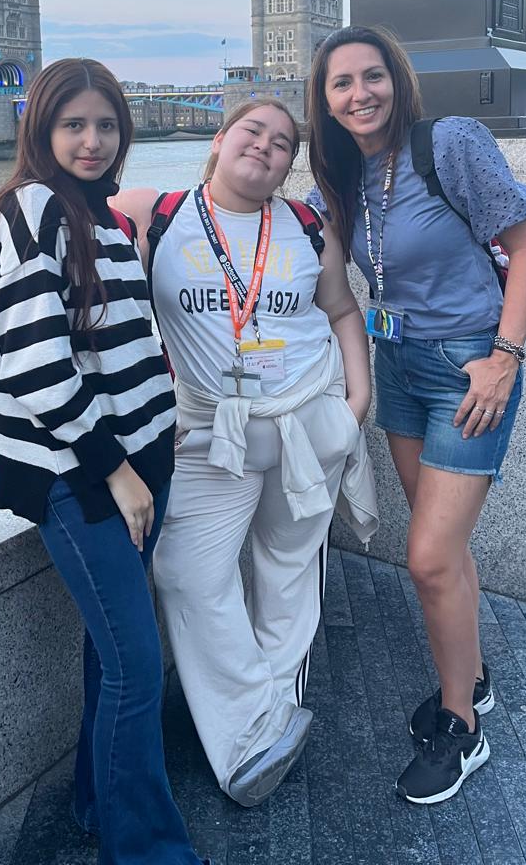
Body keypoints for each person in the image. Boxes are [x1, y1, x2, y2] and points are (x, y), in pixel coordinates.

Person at [0, 58, 208, 865]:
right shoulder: (32, 208)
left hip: (140, 460)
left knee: (114, 657)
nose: (92, 140)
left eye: (106, 125)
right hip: (85, 475)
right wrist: (115, 469)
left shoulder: (100, 216)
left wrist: (151, 445)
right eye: (72, 124)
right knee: (136, 666)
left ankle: (95, 803)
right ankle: (145, 852)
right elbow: (37, 363)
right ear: (40, 129)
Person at [112, 100, 378, 807]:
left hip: (306, 422)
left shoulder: (306, 226)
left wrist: (356, 402)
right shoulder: (156, 213)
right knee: (186, 573)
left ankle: (270, 717)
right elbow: (57, 219)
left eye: (282, 143)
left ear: (289, 164)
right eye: (252, 131)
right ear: (220, 139)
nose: (265, 146)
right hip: (208, 435)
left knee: (287, 574)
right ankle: (255, 722)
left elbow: (341, 310)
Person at [306, 25, 526, 805]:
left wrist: (505, 357)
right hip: (398, 368)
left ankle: (462, 729)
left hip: (467, 370)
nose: (360, 94)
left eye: (372, 76)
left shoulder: (451, 144)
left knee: (430, 558)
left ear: (397, 78)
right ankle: (469, 679)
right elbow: (259, 223)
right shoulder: (339, 178)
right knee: (443, 550)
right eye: (342, 83)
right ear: (325, 100)